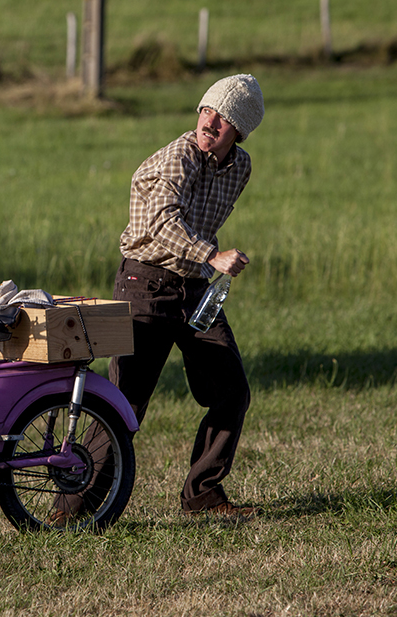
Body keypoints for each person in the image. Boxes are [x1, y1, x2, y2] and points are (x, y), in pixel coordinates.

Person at [108, 73, 264, 518]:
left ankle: (203, 495)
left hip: (193, 288)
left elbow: (203, 214)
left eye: (224, 117)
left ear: (240, 130)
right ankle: (73, 507)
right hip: (146, 285)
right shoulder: (179, 156)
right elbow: (162, 224)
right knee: (123, 405)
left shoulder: (241, 166)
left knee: (231, 389)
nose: (210, 122)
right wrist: (211, 255)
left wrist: (205, 264)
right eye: (206, 110)